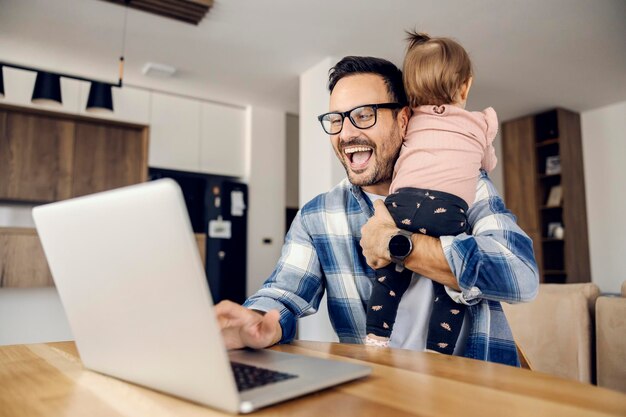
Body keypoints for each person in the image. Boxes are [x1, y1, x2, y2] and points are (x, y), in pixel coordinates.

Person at [215, 55, 538, 367]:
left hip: (472, 387)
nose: (346, 133)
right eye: (336, 119)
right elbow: (284, 292)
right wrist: (257, 322)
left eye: (364, 114)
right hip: (379, 386)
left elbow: (520, 276)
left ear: (403, 118)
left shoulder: (465, 185)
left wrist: (394, 243)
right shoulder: (319, 215)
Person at [364, 32, 498, 352]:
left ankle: (376, 336)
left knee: (390, 273)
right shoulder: (481, 123)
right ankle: (438, 350)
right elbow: (487, 163)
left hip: (403, 203)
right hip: (447, 211)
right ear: (465, 86)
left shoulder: (410, 119)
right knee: (449, 284)